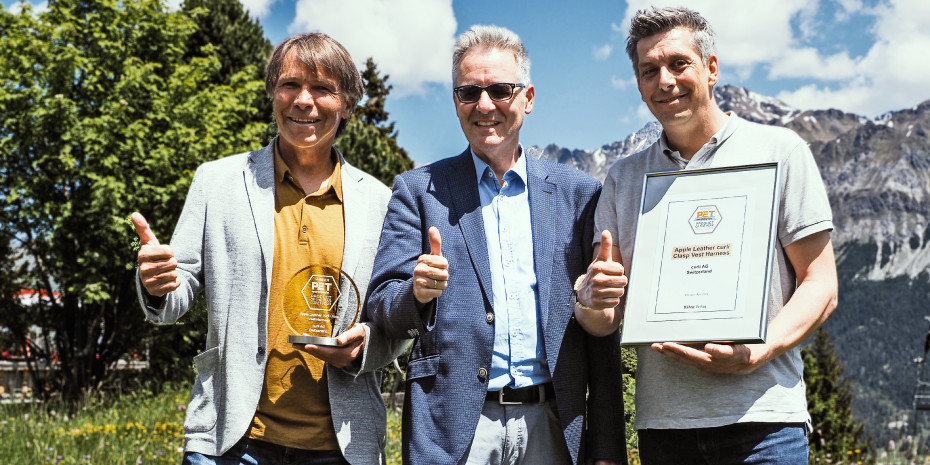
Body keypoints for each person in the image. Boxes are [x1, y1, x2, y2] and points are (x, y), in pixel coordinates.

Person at [574, 6, 839, 464]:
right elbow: (604, 319)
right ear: (639, 85)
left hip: (765, 423)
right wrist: (590, 299)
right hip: (665, 428)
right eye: (649, 70)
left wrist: (758, 350)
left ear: (711, 69)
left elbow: (821, 283)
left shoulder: (780, 151)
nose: (665, 80)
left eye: (679, 64)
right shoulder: (623, 177)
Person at [132, 33, 405, 465]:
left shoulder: (381, 202)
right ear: (272, 94)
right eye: (290, 84)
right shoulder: (216, 181)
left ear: (347, 105)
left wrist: (365, 345)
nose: (303, 100)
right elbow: (175, 296)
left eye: (322, 89)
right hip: (227, 438)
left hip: (342, 446)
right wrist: (158, 284)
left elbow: (393, 319)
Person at [366, 25, 626, 465]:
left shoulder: (580, 195)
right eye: (469, 93)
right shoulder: (418, 191)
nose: (484, 106)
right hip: (452, 430)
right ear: (455, 102)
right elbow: (381, 307)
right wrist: (417, 292)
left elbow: (601, 334)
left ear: (528, 98)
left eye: (500, 90)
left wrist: (605, 449)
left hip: (556, 425)